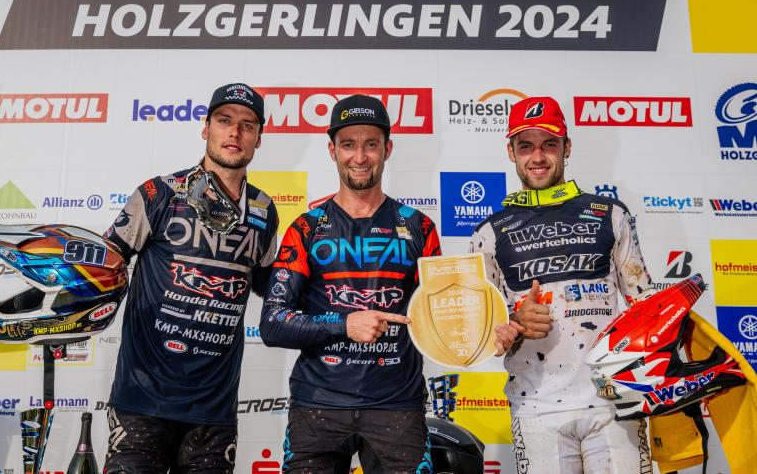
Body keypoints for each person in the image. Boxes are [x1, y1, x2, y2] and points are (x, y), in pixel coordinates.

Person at [469, 96, 656, 474]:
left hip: (614, 402)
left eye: (549, 144)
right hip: (535, 408)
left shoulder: (610, 214)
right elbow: (478, 332)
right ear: (511, 152)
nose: (538, 157)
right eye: (526, 146)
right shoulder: (489, 233)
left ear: (566, 147)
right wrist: (514, 322)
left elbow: (645, 303)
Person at [259, 94, 442, 473]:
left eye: (371, 144)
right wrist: (345, 324)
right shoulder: (306, 228)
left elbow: (443, 316)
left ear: (387, 149)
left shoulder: (419, 227)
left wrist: (485, 330)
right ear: (332, 150)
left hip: (397, 406)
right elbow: (273, 324)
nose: (360, 157)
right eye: (348, 145)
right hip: (318, 406)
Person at [102, 83, 279, 473]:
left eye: (248, 125)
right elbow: (105, 266)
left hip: (213, 410)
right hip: (141, 400)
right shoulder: (158, 193)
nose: (235, 132)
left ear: (258, 138)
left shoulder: (264, 210)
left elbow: (272, 288)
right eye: (225, 120)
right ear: (206, 128)